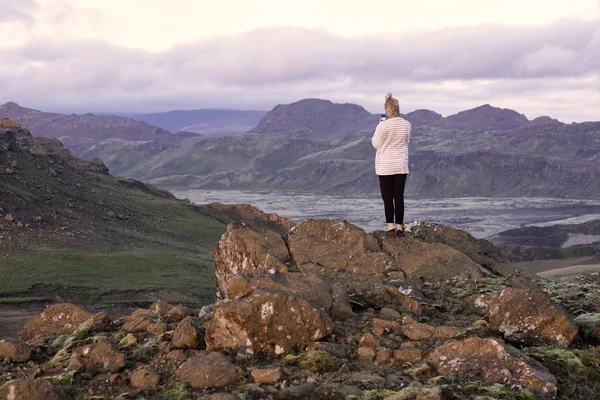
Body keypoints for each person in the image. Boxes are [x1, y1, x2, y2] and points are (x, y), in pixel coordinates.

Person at [371, 93, 411, 238]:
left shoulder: (383, 125)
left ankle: (390, 228)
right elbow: (407, 141)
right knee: (399, 197)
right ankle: (400, 228)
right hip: (400, 165)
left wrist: (379, 126)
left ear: (387, 109)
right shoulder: (407, 125)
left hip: (384, 166)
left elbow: (375, 144)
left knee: (387, 198)